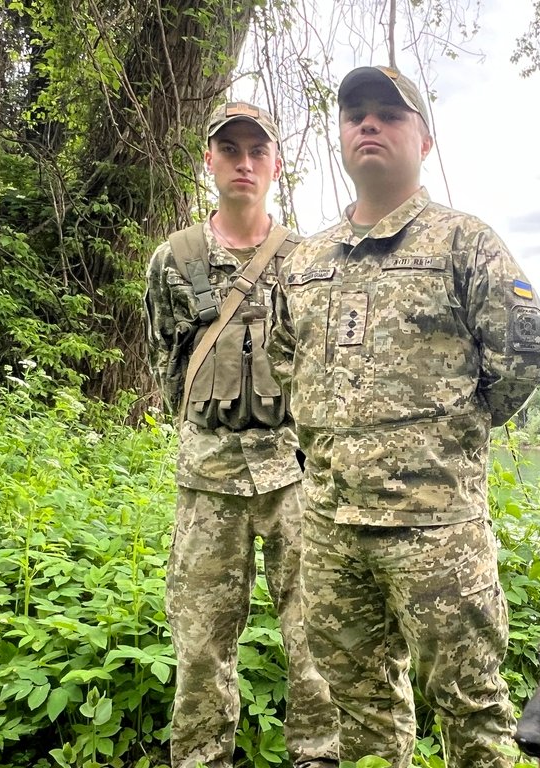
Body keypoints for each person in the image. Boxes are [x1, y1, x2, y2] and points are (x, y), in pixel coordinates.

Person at [268, 66, 540, 768]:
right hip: (332, 527)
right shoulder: (305, 261)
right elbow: (285, 363)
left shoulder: (463, 243)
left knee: (471, 708)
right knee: (359, 705)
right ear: (339, 134)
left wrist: (453, 431)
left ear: (423, 139)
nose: (369, 124)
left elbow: (527, 352)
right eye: (356, 113)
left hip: (435, 529)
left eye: (390, 115)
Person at [143, 101, 338, 768]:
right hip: (208, 482)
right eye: (231, 150)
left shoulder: (309, 261)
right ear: (211, 161)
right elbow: (167, 365)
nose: (245, 163)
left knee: (315, 639)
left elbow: (324, 368)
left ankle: (317, 757)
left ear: (276, 164)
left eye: (258, 151)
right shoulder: (174, 260)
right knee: (200, 646)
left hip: (296, 476)